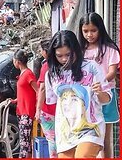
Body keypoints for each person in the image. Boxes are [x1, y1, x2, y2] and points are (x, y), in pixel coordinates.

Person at [45, 30, 111, 158]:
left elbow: (107, 98)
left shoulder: (91, 67)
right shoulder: (51, 74)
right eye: (59, 56)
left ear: (76, 50)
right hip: (65, 134)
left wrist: (100, 92)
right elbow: (52, 102)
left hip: (91, 129)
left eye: (68, 55)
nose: (64, 59)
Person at [78, 12, 120, 158]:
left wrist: (98, 85)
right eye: (85, 31)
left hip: (106, 95)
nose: (89, 34)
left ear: (100, 29)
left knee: (105, 138)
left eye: (93, 30)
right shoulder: (79, 52)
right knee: (88, 136)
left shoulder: (110, 49)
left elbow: (112, 73)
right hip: (86, 98)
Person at [10, 49, 38, 158]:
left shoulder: (28, 74)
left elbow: (38, 91)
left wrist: (38, 108)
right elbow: (25, 93)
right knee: (24, 139)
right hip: (21, 111)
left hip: (27, 112)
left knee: (24, 141)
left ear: (18, 61)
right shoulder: (22, 74)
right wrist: (15, 100)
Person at [34, 39, 57, 158]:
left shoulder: (46, 66)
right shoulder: (60, 64)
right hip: (60, 108)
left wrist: (38, 110)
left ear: (45, 52)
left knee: (51, 139)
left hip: (47, 109)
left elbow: (42, 89)